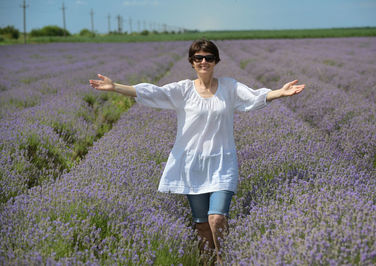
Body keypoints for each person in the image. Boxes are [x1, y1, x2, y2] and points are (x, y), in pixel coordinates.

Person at [89, 39, 305, 263]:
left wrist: (280, 92)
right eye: (198, 58)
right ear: (192, 62)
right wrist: (116, 87)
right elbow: (153, 92)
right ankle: (207, 261)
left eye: (209, 58)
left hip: (222, 163)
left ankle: (224, 260)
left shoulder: (229, 87)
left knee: (217, 219)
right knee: (202, 225)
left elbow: (253, 96)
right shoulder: (183, 90)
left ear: (216, 61)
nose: (204, 61)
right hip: (192, 165)